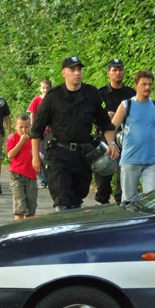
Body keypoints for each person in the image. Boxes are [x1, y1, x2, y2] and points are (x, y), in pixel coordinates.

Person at [31, 56, 119, 211]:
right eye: (72, 70)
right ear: (64, 73)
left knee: (77, 201)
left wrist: (111, 143)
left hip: (83, 155)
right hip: (59, 154)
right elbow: (37, 129)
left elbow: (105, 123)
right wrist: (35, 156)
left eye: (79, 69)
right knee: (61, 201)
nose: (77, 73)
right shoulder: (53, 96)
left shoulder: (91, 94)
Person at [110, 70, 155, 201]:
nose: (147, 87)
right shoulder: (126, 105)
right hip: (130, 161)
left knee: (152, 200)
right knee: (128, 201)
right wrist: (111, 144)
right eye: (144, 84)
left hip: (152, 162)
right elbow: (112, 128)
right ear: (136, 85)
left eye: (150, 84)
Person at [96, 59, 135, 204]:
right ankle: (103, 205)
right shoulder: (100, 94)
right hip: (104, 139)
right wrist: (105, 116)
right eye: (114, 70)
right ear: (108, 73)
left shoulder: (131, 93)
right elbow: (91, 115)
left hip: (125, 139)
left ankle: (121, 205)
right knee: (103, 179)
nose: (118, 73)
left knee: (123, 177)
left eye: (120, 70)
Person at [7, 114, 37, 219]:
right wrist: (21, 141)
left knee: (31, 205)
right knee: (20, 204)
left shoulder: (34, 138)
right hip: (17, 174)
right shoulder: (13, 137)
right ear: (15, 126)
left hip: (31, 174)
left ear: (30, 126)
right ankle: (18, 228)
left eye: (27, 127)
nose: (24, 130)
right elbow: (10, 155)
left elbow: (38, 154)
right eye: (21, 127)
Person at [27, 79, 51, 189]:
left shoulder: (52, 100)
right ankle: (42, 179)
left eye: (47, 88)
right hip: (39, 132)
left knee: (48, 155)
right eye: (43, 88)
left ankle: (49, 178)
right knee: (39, 155)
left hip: (50, 132)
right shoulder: (36, 100)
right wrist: (32, 127)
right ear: (40, 89)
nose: (45, 90)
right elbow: (32, 114)